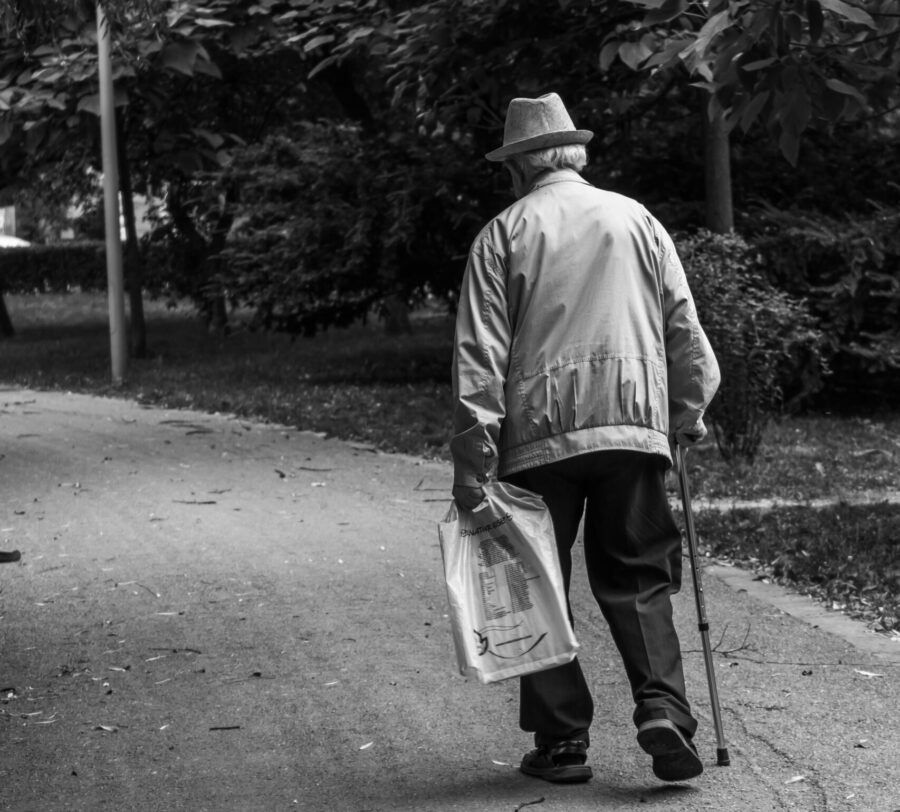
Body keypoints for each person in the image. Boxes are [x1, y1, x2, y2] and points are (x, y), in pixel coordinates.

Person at [449, 92, 720, 784]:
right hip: (631, 427)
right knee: (637, 575)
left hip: (537, 439)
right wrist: (686, 413)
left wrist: (473, 465)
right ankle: (662, 710)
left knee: (537, 581)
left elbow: (480, 360)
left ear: (517, 168)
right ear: (575, 153)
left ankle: (562, 741)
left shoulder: (502, 234)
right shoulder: (636, 220)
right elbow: (682, 326)